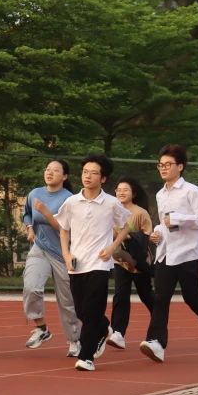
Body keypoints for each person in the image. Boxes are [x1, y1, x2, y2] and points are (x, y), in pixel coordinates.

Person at [35, 154, 130, 373]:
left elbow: (126, 225)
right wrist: (66, 254)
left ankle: (86, 357)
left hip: (100, 264)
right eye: (85, 172)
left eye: (93, 173)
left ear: (103, 178)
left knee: (92, 310)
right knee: (81, 311)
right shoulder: (72, 202)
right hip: (76, 263)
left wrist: (112, 247)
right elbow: (63, 228)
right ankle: (103, 328)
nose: (88, 176)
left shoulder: (111, 203)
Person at [140, 145, 198, 364]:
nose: (163, 168)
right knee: (160, 298)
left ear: (180, 166)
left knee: (191, 296)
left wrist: (177, 219)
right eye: (160, 165)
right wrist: (156, 232)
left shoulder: (192, 191)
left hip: (188, 252)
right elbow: (163, 222)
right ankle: (156, 343)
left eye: (168, 164)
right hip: (166, 252)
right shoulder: (160, 194)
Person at [21, 159, 82, 356]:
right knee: (31, 287)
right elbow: (27, 214)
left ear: (64, 176)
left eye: (55, 170)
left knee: (67, 300)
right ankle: (41, 328)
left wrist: (46, 213)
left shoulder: (70, 199)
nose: (49, 172)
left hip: (63, 253)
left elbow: (66, 228)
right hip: (39, 247)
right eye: (47, 169)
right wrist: (30, 228)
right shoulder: (35, 194)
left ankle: (75, 339)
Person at [108, 176, 155, 350]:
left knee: (146, 295)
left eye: (125, 190)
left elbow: (147, 237)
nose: (121, 193)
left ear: (133, 193)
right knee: (120, 295)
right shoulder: (111, 211)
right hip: (120, 261)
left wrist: (128, 236)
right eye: (119, 190)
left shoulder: (140, 213)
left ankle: (159, 320)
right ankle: (118, 333)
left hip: (138, 262)